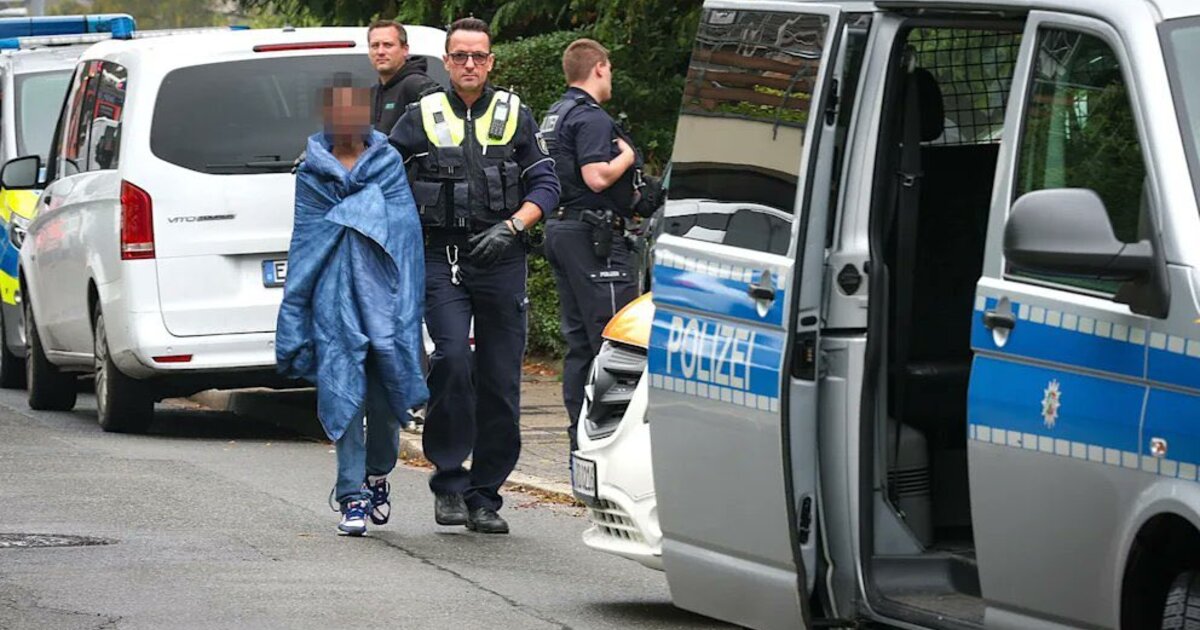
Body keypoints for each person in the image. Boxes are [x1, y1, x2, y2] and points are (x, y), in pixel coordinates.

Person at [389, 17, 560, 535]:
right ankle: (448, 480)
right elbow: (382, 172)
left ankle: (485, 495)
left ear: (490, 61)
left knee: (501, 381)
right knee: (453, 360)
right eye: (460, 55)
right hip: (442, 258)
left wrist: (513, 226)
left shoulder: (514, 114)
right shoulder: (421, 114)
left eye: (478, 56)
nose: (469, 64)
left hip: (501, 257)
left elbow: (547, 185)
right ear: (446, 61)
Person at [276, 74, 428, 537]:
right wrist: (295, 308)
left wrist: (408, 304)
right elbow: (307, 239)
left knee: (384, 398)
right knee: (344, 388)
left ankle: (377, 474)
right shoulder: (311, 172)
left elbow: (404, 234)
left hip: (385, 297)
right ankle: (351, 495)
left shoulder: (388, 163)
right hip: (333, 297)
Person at [540, 39, 640, 450]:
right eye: (609, 68)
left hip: (562, 229)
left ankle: (578, 436)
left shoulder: (556, 113)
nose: (610, 76)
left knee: (580, 343)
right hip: (593, 238)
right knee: (614, 340)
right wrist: (627, 157)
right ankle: (609, 439)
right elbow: (597, 177)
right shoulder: (591, 117)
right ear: (599, 67)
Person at [368, 19, 438, 134]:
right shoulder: (372, 94)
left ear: (405, 50)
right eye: (375, 46)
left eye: (388, 45)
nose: (380, 52)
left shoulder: (418, 86)